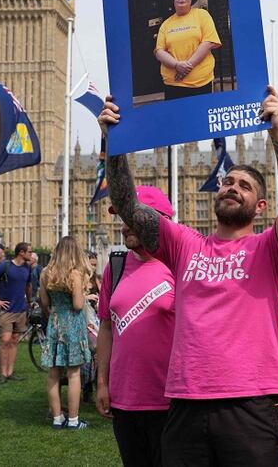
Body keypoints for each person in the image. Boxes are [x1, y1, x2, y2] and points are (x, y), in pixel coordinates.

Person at [100, 85, 278, 466]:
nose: (232, 187)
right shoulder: (185, 245)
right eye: (228, 182)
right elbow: (128, 206)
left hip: (251, 403)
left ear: (261, 206)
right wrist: (114, 141)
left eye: (244, 185)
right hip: (185, 403)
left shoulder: (270, 250)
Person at [96, 186, 177, 467]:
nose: (124, 225)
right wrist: (102, 382)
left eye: (132, 217)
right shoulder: (115, 266)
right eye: (122, 218)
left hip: (171, 401)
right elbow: (106, 326)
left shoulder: (180, 265)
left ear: (159, 221)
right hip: (125, 400)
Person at [39, 235, 93, 430]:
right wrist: (85, 295)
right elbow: (78, 305)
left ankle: (57, 418)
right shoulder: (75, 274)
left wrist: (53, 315)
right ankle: (73, 419)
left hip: (55, 323)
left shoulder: (45, 273)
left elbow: (44, 303)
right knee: (73, 373)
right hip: (73, 324)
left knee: (53, 373)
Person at [153, 0, 222, 101]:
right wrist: (176, 65)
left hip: (200, 83)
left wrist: (185, 68)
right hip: (173, 84)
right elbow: (159, 51)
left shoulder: (202, 15)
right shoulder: (166, 24)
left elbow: (208, 42)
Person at [0, 242, 34, 384]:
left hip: (21, 310)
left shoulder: (27, 268)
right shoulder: (5, 266)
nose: (31, 254)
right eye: (29, 251)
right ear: (21, 253)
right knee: (5, 341)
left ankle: (10, 372)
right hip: (5, 310)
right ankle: (2, 373)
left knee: (14, 341)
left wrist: (29, 302)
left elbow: (28, 285)